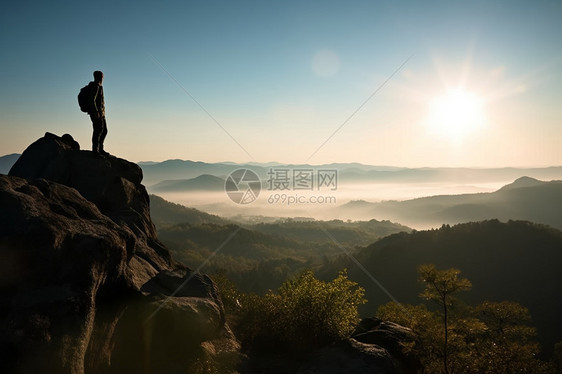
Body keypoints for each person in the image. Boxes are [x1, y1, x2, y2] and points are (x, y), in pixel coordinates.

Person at [88, 71, 108, 155]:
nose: (102, 78)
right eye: (102, 77)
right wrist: (95, 111)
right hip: (96, 113)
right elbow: (91, 100)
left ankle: (100, 149)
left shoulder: (99, 86)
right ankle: (95, 151)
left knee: (104, 130)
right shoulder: (96, 87)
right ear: (100, 77)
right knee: (98, 131)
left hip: (101, 113)